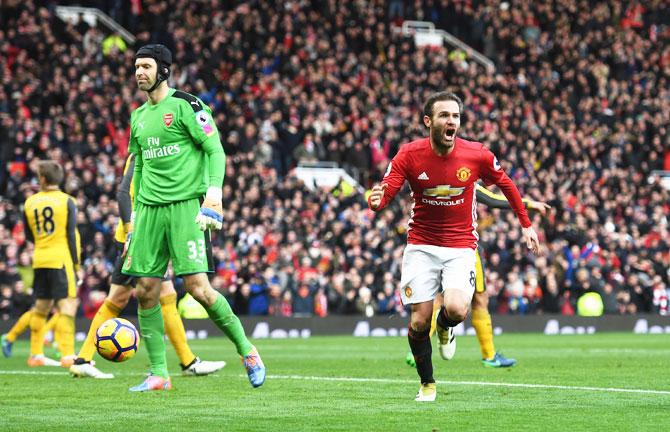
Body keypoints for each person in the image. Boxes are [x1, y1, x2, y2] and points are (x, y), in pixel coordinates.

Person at [368, 91, 540, 402]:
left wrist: (526, 223)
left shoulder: (477, 154)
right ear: (428, 121)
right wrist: (376, 201)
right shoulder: (409, 154)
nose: (452, 121)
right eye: (445, 115)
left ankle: (446, 328)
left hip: (461, 246)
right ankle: (427, 384)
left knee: (458, 308)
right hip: (421, 245)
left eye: (456, 116)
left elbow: (507, 185)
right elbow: (387, 189)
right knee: (419, 321)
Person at [121, 44, 265, 392]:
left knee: (198, 289)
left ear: (164, 71)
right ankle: (159, 373)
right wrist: (135, 219)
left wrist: (213, 194)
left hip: (186, 207)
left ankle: (247, 351)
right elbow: (139, 166)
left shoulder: (188, 105)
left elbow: (215, 149)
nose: (139, 72)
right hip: (150, 211)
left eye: (146, 66)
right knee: (144, 290)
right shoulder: (138, 116)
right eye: (137, 66)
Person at [69, 154, 226, 379]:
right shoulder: (144, 152)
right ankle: (188, 362)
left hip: (139, 236)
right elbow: (124, 193)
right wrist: (131, 229)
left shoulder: (148, 150)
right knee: (158, 295)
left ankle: (82, 359)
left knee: (119, 299)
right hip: (138, 239)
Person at [404, 184, 550, 369]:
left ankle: (417, 349)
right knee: (474, 299)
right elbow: (493, 199)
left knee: (441, 299)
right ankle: (488, 355)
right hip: (459, 249)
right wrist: (530, 204)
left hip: (435, 247)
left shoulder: (438, 178)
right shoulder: (464, 180)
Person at [22, 160, 82, 367]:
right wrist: (76, 265)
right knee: (66, 304)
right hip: (60, 259)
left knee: (41, 307)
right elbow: (71, 235)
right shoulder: (67, 201)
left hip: (40, 259)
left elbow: (28, 234)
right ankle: (67, 355)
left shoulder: (29, 202)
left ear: (43, 178)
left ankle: (36, 354)